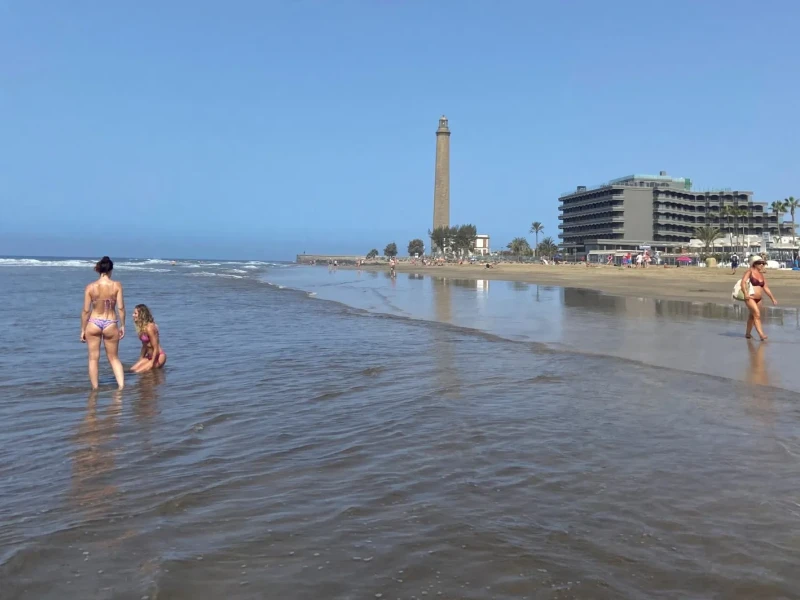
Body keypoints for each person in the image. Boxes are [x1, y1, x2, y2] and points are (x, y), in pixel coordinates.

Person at [80, 256, 125, 390]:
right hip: (110, 321)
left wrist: (83, 329)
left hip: (93, 322)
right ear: (110, 269)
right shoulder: (116, 285)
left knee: (93, 358)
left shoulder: (90, 287)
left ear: (99, 270)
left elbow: (85, 310)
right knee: (114, 358)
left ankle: (95, 389)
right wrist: (123, 325)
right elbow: (121, 308)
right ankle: (121, 387)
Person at [741, 255, 777, 341]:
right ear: (754, 264)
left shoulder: (761, 275)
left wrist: (772, 298)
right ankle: (761, 334)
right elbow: (743, 282)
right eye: (759, 263)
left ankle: (747, 333)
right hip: (750, 297)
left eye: (763, 263)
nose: (762, 265)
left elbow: (765, 288)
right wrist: (745, 293)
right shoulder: (749, 272)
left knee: (752, 316)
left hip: (759, 299)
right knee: (757, 314)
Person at [130, 304, 167, 372]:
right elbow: (144, 346)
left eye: (135, 313)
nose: (133, 315)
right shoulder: (142, 327)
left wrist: (152, 363)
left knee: (138, 372)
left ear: (142, 315)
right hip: (149, 356)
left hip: (158, 356)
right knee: (132, 370)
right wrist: (141, 359)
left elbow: (155, 347)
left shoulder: (150, 327)